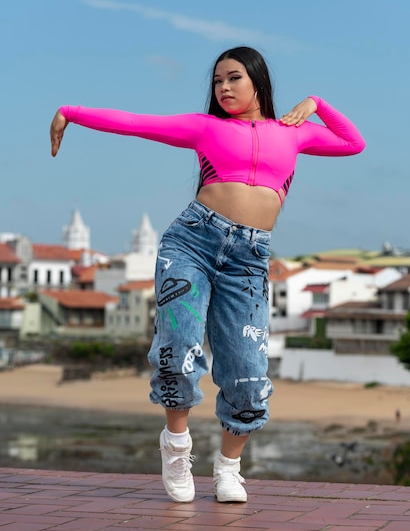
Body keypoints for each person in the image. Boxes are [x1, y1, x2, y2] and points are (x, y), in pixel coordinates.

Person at [50, 46, 366, 504]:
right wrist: (69, 113)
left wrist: (316, 103)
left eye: (233, 78)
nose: (223, 88)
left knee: (249, 373)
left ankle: (229, 467)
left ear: (258, 81)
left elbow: (354, 142)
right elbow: (135, 122)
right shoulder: (205, 128)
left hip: (249, 260)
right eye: (217, 81)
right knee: (178, 347)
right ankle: (176, 447)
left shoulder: (294, 133)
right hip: (192, 243)